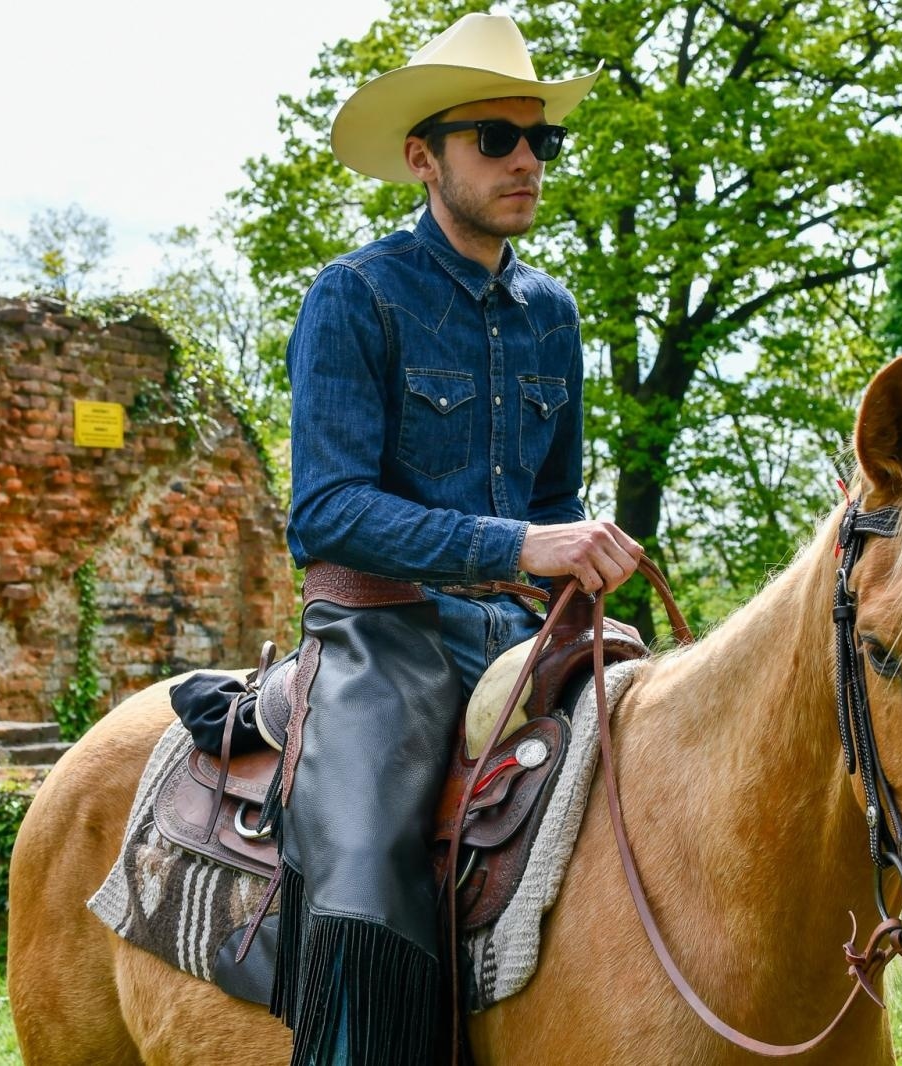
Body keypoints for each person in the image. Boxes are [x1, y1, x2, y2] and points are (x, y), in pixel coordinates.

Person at [271, 13, 641, 1065]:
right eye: (494, 137)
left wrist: (571, 558)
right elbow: (325, 512)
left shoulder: (553, 316)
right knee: (371, 861)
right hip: (379, 634)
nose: (525, 158)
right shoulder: (355, 297)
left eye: (541, 141)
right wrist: (520, 544)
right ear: (422, 156)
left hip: (520, 632)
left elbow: (555, 500)